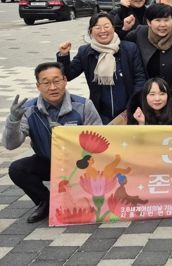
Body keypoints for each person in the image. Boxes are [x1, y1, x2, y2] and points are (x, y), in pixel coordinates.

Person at [3, 62, 102, 223]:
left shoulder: (84, 105)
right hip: (48, 162)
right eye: (46, 83)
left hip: (80, 165)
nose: (53, 87)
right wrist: (13, 120)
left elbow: (98, 141)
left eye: (57, 81)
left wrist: (68, 135)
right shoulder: (29, 109)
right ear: (38, 86)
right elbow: (11, 145)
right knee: (17, 169)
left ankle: (81, 197)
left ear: (65, 80)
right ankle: (46, 202)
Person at [57, 12, 146, 124]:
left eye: (106, 26)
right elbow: (68, 75)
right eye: (97, 27)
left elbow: (140, 78)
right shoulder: (85, 52)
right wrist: (63, 55)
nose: (103, 31)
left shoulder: (129, 49)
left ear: (113, 28)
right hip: (100, 114)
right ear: (90, 31)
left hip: (129, 112)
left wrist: (134, 105)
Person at [119, 3, 172, 96]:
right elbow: (120, 44)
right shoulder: (139, 33)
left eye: (166, 20)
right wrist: (124, 29)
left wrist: (166, 97)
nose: (163, 24)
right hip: (142, 95)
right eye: (158, 20)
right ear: (149, 22)